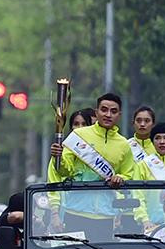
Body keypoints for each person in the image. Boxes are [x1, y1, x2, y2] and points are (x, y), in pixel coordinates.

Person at [47, 93, 136, 241]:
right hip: (76, 212)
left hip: (106, 215)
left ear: (119, 115)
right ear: (96, 112)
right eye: (104, 110)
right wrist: (58, 157)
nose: (108, 114)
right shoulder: (79, 135)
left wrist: (119, 178)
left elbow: (128, 174)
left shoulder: (123, 145)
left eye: (113, 111)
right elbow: (65, 170)